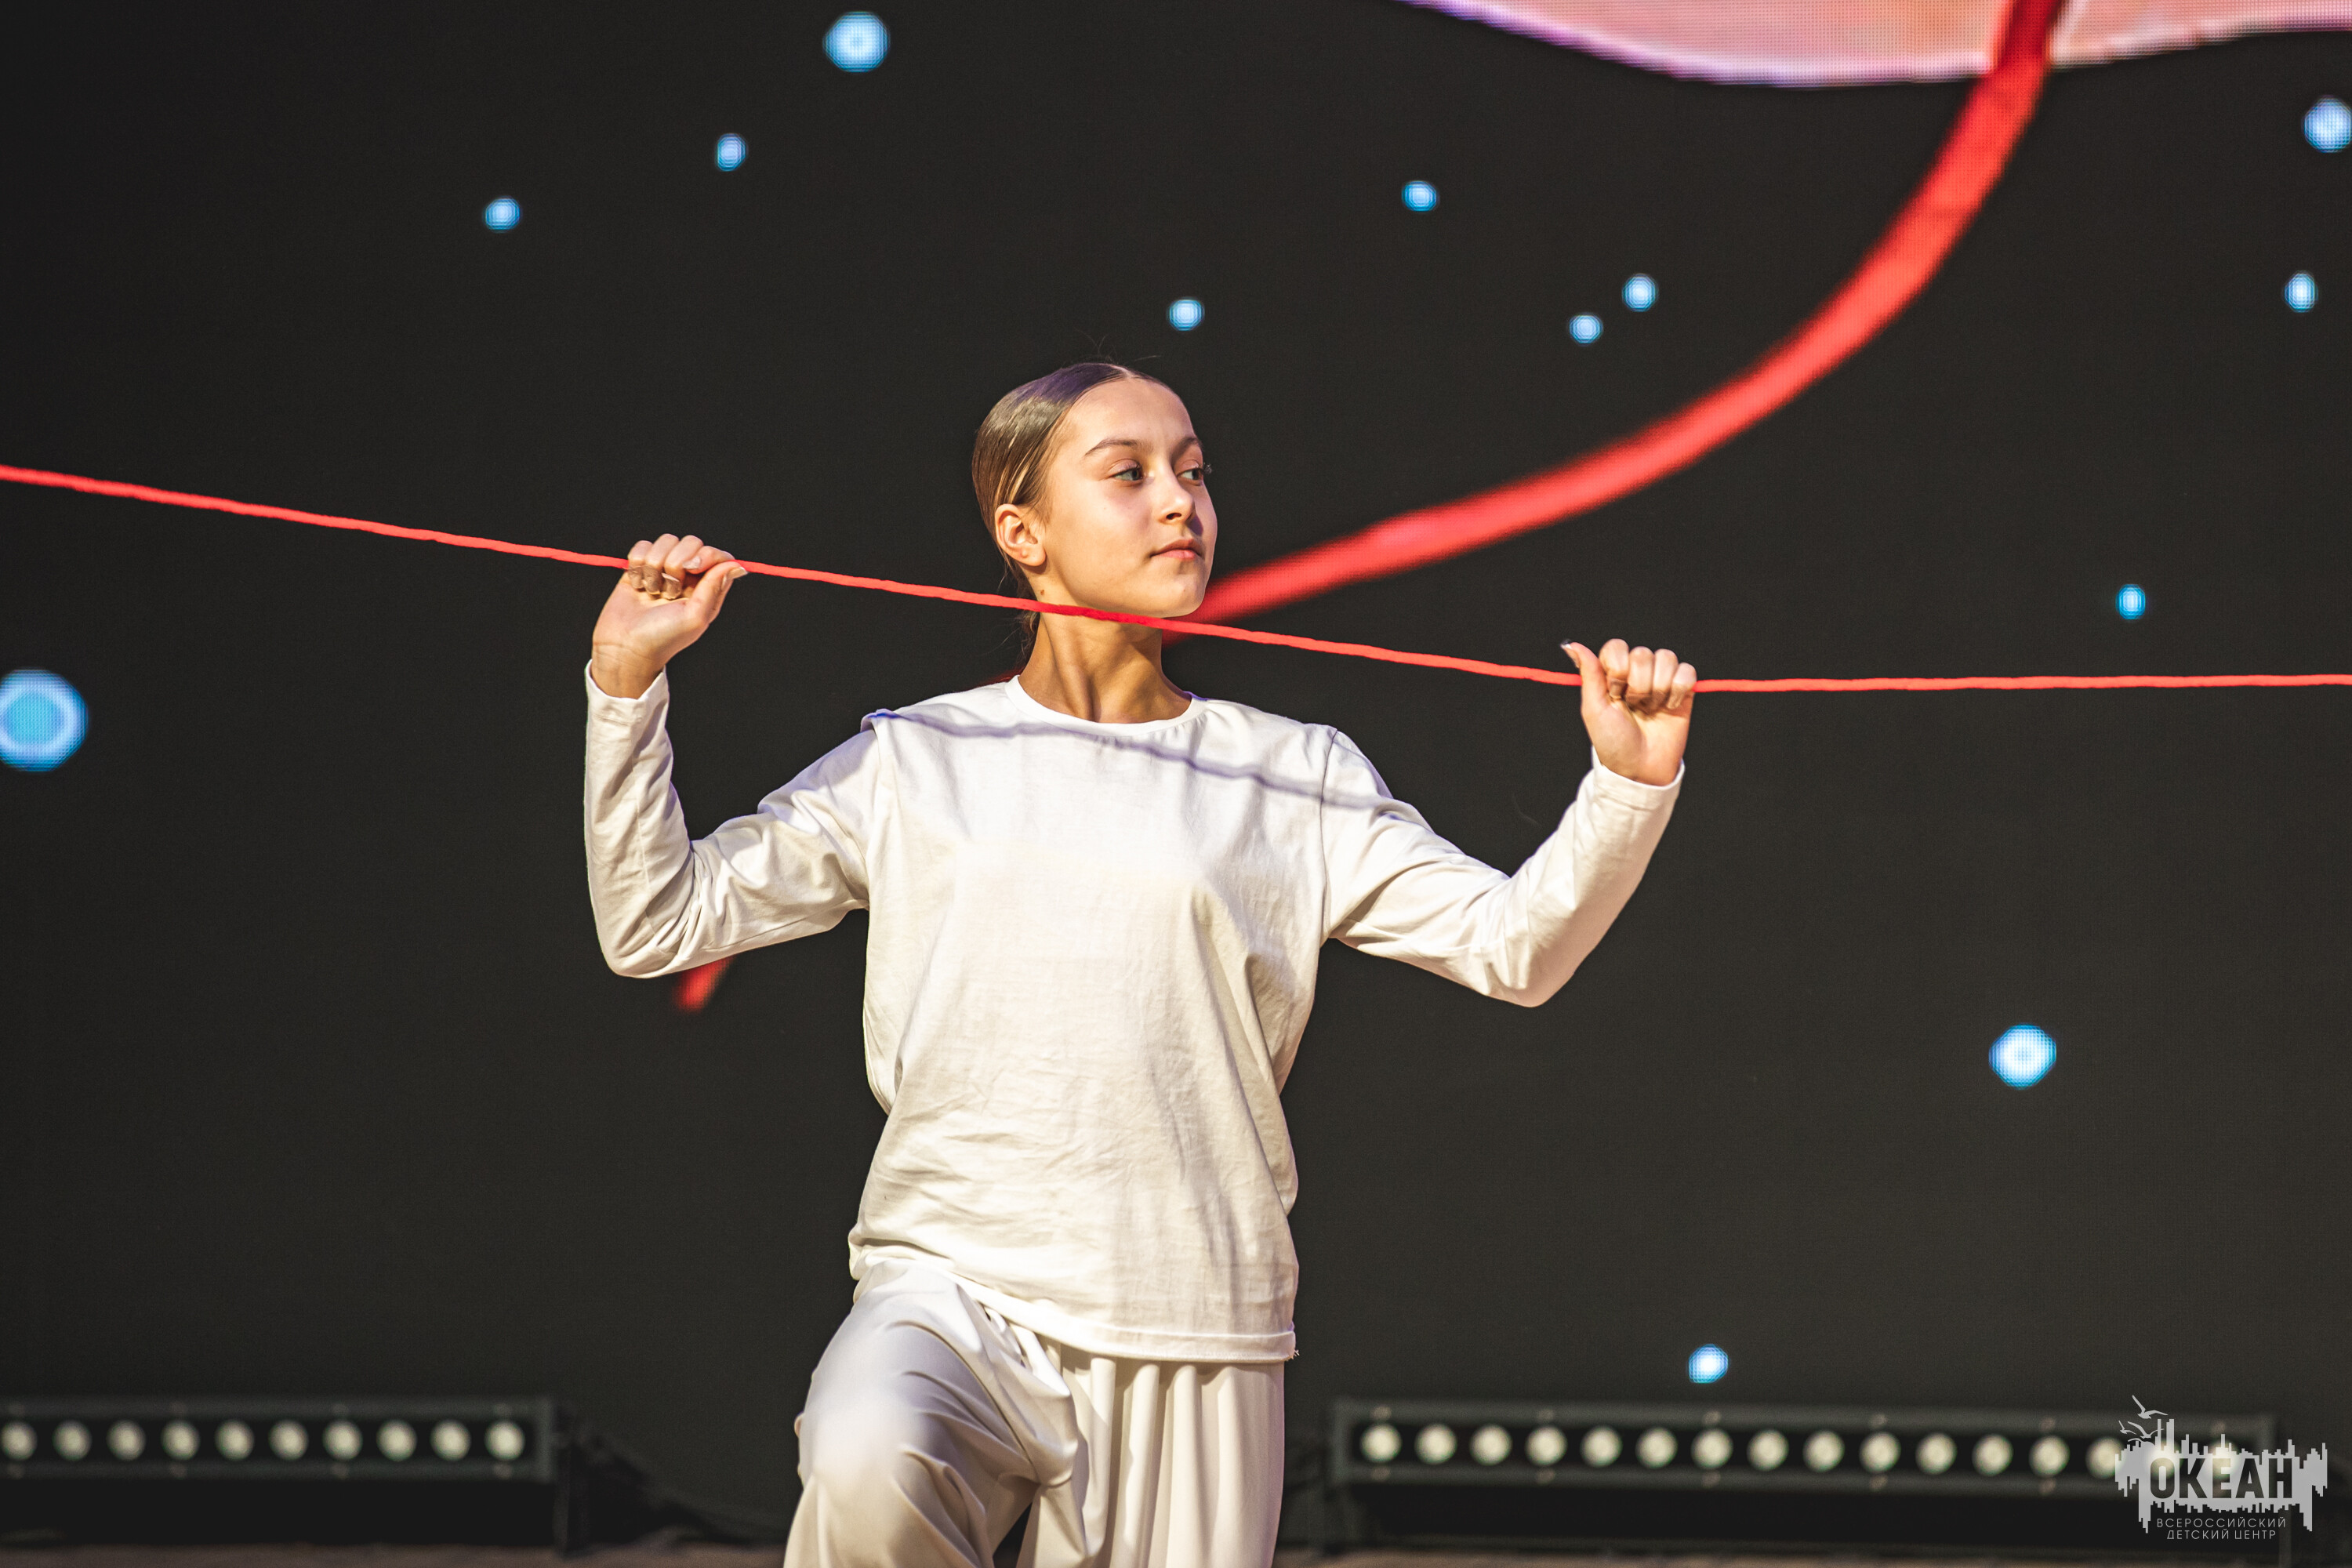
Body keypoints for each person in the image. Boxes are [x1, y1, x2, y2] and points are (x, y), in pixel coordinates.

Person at [582, 361, 1696, 1568]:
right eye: (1129, 473)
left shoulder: (1293, 773)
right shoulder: (915, 758)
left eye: (1195, 473)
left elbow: (1515, 949)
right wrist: (626, 686)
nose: (1181, 503)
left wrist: (1627, 786)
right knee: (866, 1453)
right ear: (1023, 534)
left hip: (1196, 1321)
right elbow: (658, 923)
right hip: (952, 1287)